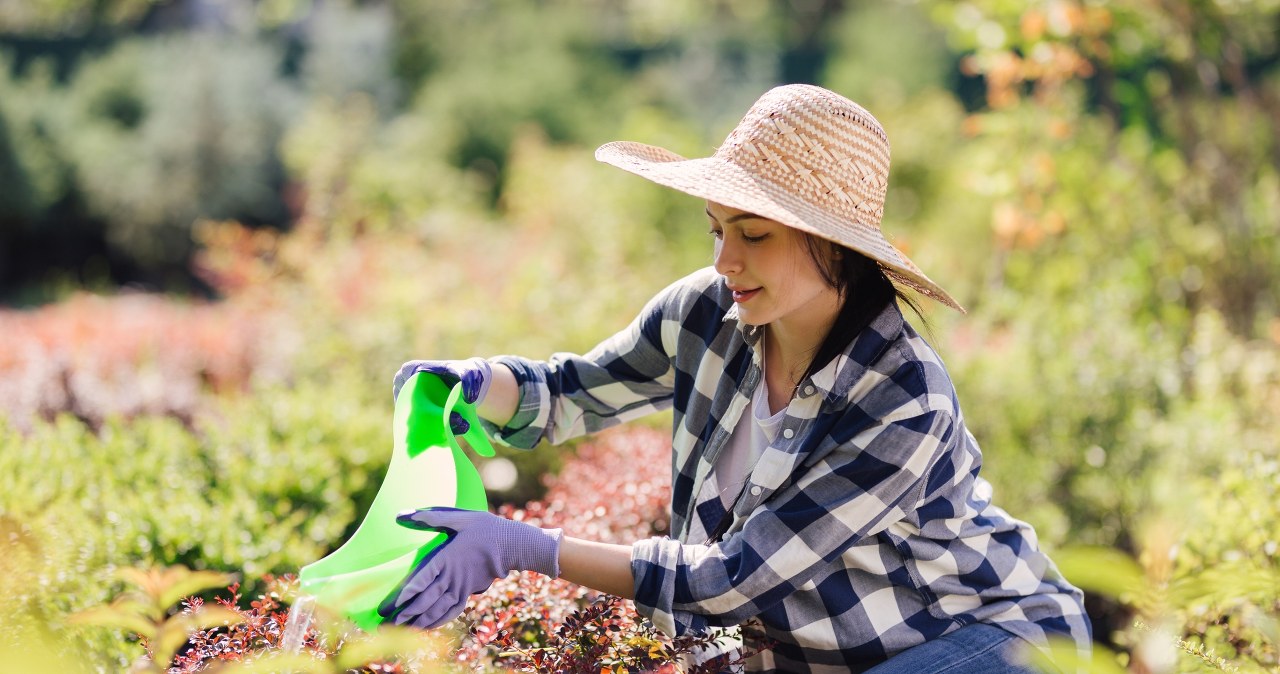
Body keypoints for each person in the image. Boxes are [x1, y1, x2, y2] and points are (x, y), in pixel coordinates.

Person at [379, 84, 1092, 673]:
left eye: (755, 235)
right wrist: (473, 381)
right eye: (716, 229)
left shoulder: (903, 398)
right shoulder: (707, 313)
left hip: (994, 639)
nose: (725, 260)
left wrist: (520, 547)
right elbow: (571, 391)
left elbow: (733, 577)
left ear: (837, 249)